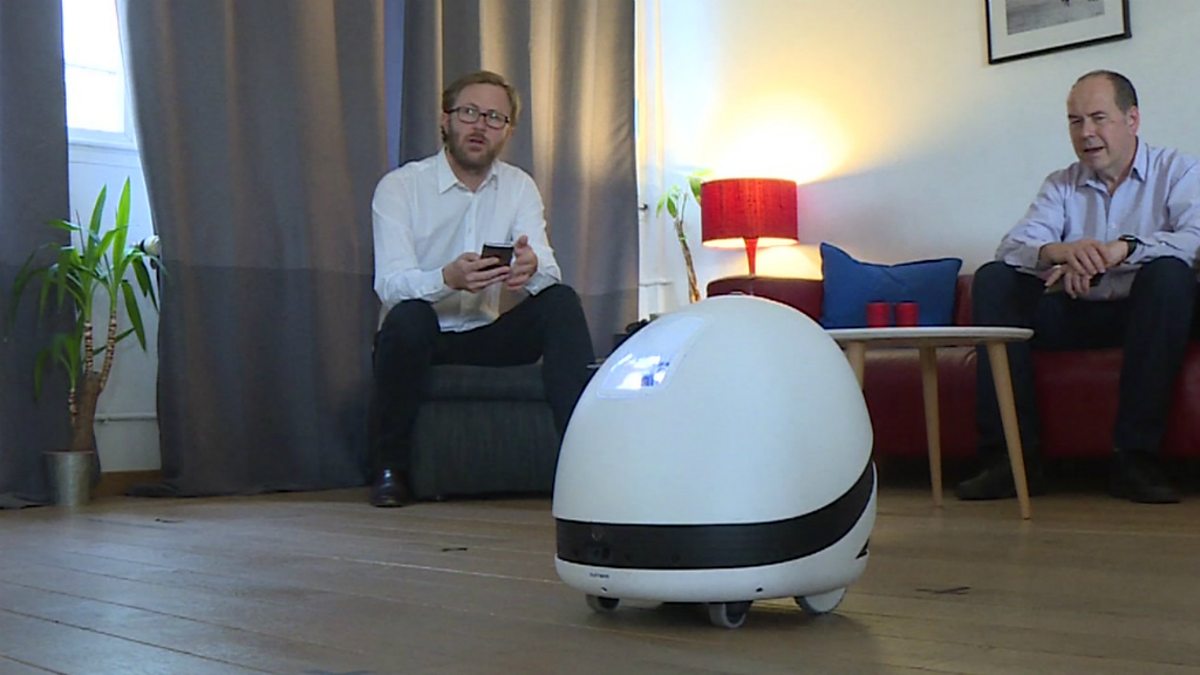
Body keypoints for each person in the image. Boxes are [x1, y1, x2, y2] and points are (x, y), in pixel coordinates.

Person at [956, 70, 1200, 504]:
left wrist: (1123, 249)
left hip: (1150, 315)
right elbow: (1012, 247)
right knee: (994, 279)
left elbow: (1194, 239)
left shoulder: (1179, 171)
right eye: (1075, 121)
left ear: (1132, 119)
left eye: (1098, 118)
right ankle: (1012, 462)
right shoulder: (1061, 184)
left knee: (1169, 274)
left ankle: (1135, 459)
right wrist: (1061, 251)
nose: (1086, 132)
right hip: (1076, 310)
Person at [368, 70, 595, 507]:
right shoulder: (400, 187)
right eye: (469, 112)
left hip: (487, 336)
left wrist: (530, 269)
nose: (480, 126)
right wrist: (446, 279)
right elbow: (390, 286)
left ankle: (582, 462)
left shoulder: (519, 186)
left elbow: (548, 270)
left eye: (494, 118)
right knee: (410, 316)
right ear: (446, 119)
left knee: (560, 301)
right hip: (422, 338)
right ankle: (390, 470)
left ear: (507, 131)